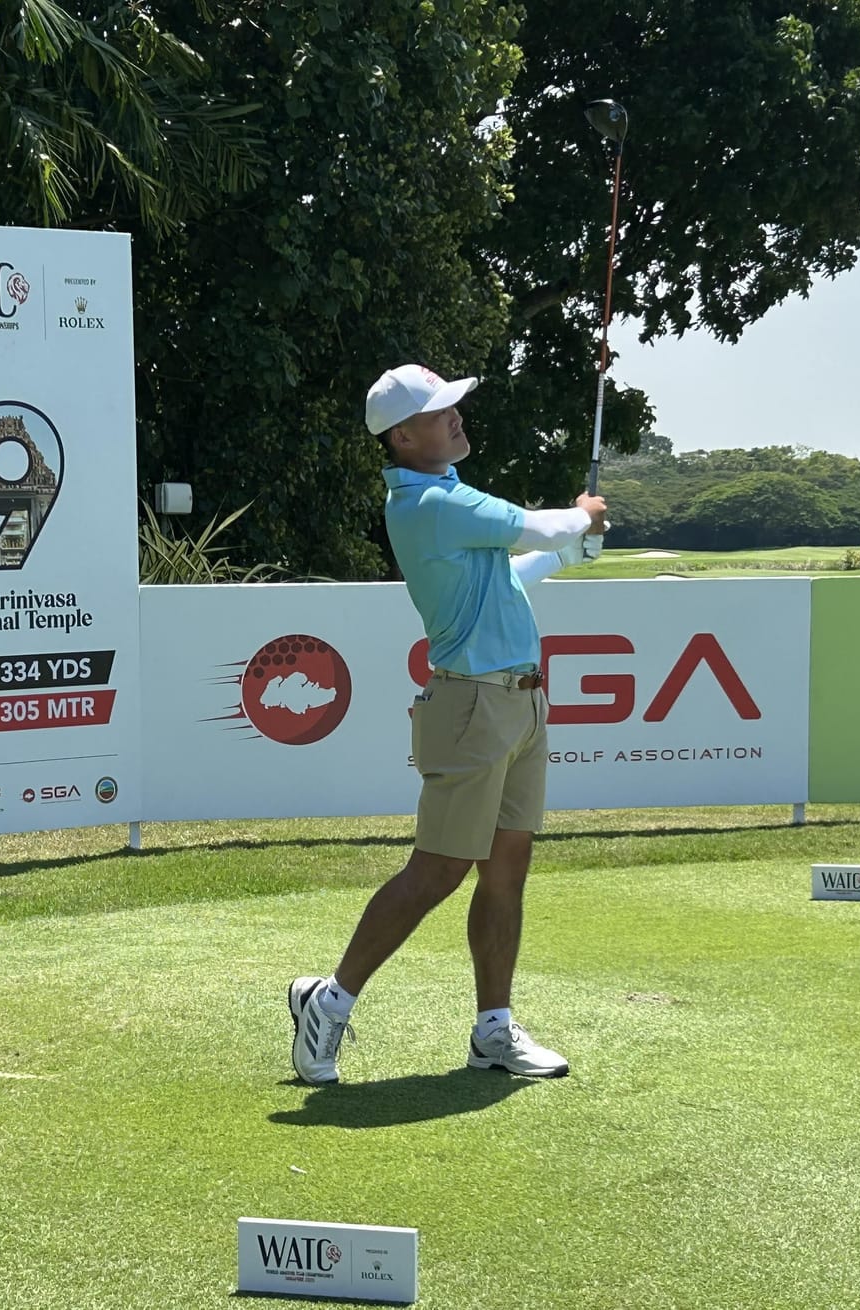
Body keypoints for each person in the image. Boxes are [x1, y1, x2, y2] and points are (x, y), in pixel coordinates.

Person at [288, 363, 608, 1084]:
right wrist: (582, 516)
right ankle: (330, 1002)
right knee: (438, 870)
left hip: (520, 704)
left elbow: (510, 573)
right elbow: (538, 524)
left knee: (506, 869)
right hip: (471, 707)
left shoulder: (447, 500)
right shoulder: (431, 503)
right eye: (440, 412)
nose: (457, 415)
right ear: (403, 437)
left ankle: (493, 1030)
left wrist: (565, 552)